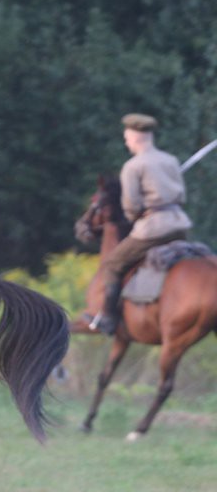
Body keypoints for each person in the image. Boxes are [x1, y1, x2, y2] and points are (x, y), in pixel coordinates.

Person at [90, 113, 192, 335]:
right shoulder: (170, 160)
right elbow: (182, 195)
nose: (126, 142)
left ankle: (107, 318)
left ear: (135, 138)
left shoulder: (132, 166)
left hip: (153, 228)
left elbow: (131, 205)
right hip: (179, 224)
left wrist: (136, 215)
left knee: (113, 262)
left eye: (127, 138)